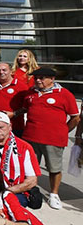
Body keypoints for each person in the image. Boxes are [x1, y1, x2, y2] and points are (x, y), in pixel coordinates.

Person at [18, 67, 80, 210]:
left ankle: (54, 194)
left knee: (54, 168)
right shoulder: (31, 93)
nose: (38, 80)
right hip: (30, 137)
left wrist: (63, 131)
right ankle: (29, 191)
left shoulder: (64, 94)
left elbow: (75, 118)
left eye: (42, 78)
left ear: (52, 79)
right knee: (29, 167)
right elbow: (26, 109)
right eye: (36, 78)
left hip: (53, 139)